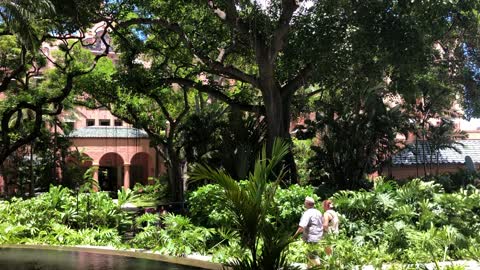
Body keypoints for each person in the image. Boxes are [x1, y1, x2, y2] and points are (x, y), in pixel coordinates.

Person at [293, 196, 323, 267]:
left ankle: (320, 267)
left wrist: (294, 237)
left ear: (306, 203)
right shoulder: (318, 212)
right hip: (319, 237)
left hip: (311, 238)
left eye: (304, 202)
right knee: (311, 256)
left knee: (313, 257)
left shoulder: (307, 213)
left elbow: (301, 228)